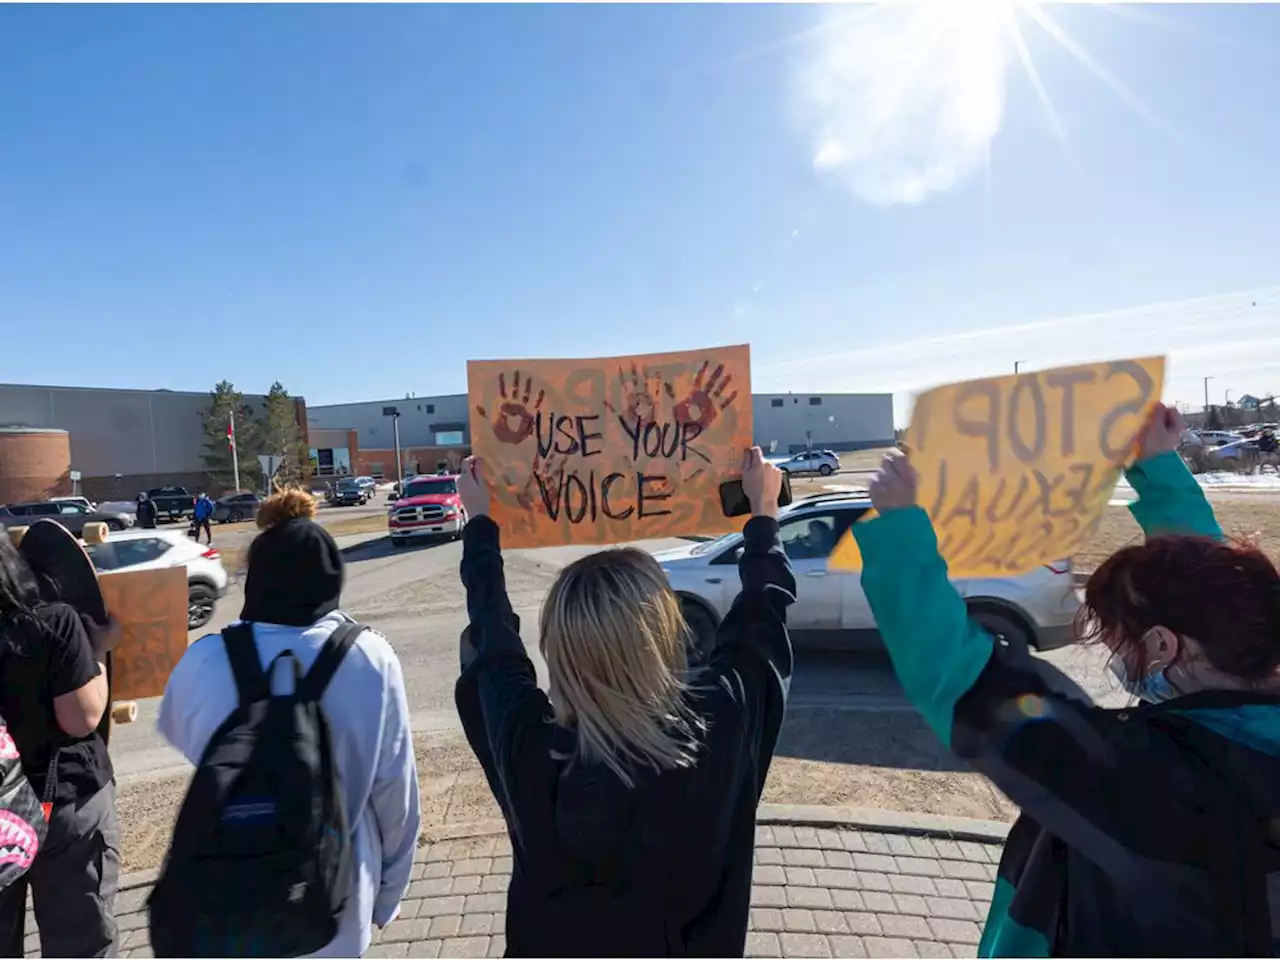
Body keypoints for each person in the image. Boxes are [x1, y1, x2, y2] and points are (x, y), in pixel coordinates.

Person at [852, 403, 1280, 956]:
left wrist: (900, 530)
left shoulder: (1154, 780)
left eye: (1121, 636)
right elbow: (1216, 598)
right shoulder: (1250, 735)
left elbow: (964, 686)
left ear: (1162, 646)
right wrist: (1158, 467)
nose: (1116, 652)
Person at [454, 448, 795, 956]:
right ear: (664, 635)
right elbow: (760, 620)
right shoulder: (718, 727)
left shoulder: (529, 750)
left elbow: (493, 637)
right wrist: (762, 514)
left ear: (558, 650)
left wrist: (481, 525)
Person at [157, 488, 420, 957]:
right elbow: (395, 794)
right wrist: (388, 895)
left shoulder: (203, 660)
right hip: (335, 901)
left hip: (226, 900)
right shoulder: (371, 657)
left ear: (255, 577)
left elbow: (189, 741)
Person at [0, 529, 122, 957]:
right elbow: (82, 719)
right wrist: (99, 651)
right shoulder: (54, 623)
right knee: (81, 942)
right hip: (65, 802)